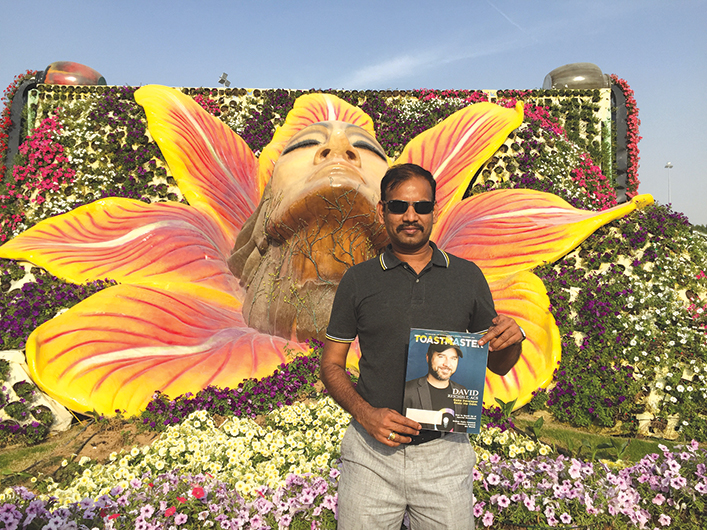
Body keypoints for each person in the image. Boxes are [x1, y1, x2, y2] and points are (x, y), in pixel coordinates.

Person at [321, 163, 524, 529]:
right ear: (382, 210)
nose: (410, 216)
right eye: (398, 206)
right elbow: (331, 365)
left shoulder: (467, 276)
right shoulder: (358, 280)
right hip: (371, 456)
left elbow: (499, 363)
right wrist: (366, 415)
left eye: (421, 207)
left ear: (434, 209)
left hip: (443, 455)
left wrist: (511, 339)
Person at [403, 343, 468, 432]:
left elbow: (461, 430)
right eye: (441, 356)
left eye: (453, 358)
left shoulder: (462, 391)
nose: (447, 364)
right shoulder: (408, 390)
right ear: (428, 357)